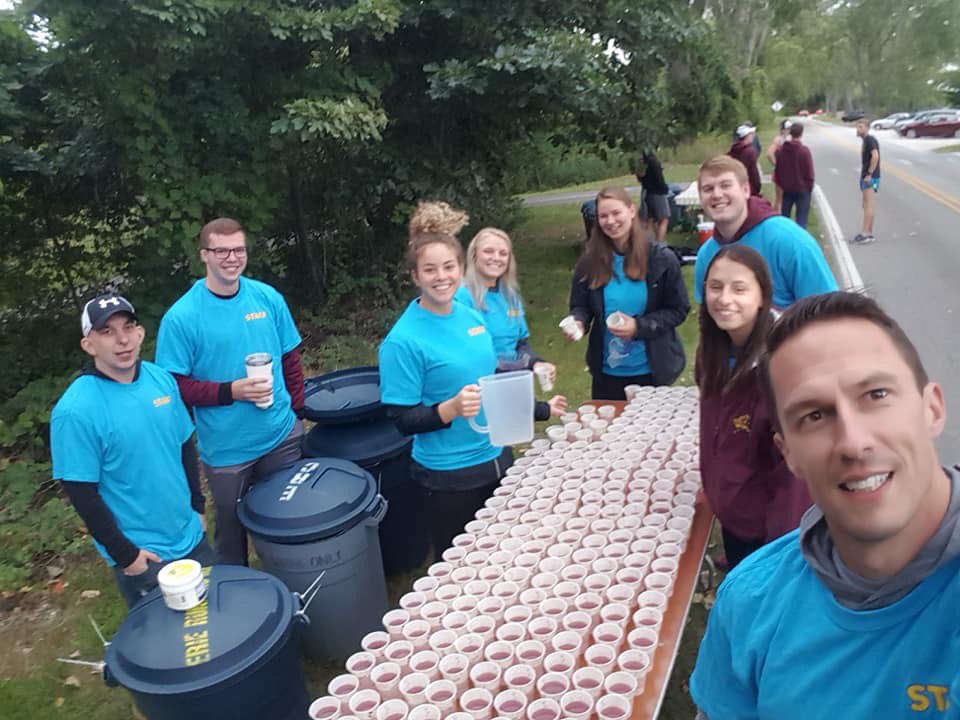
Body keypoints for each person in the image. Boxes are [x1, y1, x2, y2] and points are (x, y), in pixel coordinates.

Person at [691, 291, 960, 718]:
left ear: (932, 409)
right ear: (788, 453)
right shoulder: (749, 603)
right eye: (814, 416)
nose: (854, 443)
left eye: (875, 395)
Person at [379, 201, 566, 554]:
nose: (441, 277)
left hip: (497, 456)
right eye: (430, 270)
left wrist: (540, 409)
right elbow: (400, 420)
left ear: (460, 268)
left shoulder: (471, 316)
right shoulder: (402, 341)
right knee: (461, 569)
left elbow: (492, 380)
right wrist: (447, 410)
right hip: (449, 476)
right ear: (415, 276)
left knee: (505, 554)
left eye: (449, 267)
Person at [156, 218, 305, 566]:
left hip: (281, 435)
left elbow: (290, 360)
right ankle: (238, 600)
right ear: (204, 255)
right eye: (221, 251)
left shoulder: (267, 298)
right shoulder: (182, 317)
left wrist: (297, 413)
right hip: (227, 451)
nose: (232, 258)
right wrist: (231, 391)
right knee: (231, 535)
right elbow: (175, 387)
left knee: (288, 520)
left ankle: (290, 585)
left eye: (238, 249)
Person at [50, 293, 212, 608]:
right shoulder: (75, 411)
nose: (122, 340)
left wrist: (198, 507)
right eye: (107, 332)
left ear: (140, 333)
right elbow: (81, 491)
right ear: (89, 344)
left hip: (191, 534)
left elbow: (183, 445)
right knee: (166, 648)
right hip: (144, 554)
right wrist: (127, 555)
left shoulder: (160, 379)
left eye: (128, 327)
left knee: (216, 623)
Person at [696, 245, 812, 570]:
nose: (724, 298)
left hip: (768, 532)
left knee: (761, 608)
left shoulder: (782, 368)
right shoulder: (712, 351)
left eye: (739, 288)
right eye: (715, 287)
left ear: (762, 296)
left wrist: (779, 553)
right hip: (733, 513)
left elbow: (795, 479)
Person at [565, 187, 690, 401]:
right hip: (606, 373)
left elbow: (678, 309)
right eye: (603, 216)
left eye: (616, 213)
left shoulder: (661, 259)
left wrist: (638, 327)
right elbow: (581, 306)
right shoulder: (589, 261)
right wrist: (578, 322)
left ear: (631, 211)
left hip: (650, 371)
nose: (610, 221)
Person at [694, 155, 837, 309]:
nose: (716, 194)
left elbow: (828, 312)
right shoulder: (706, 255)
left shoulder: (790, 240)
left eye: (725, 185)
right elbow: (708, 318)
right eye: (708, 189)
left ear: (746, 190)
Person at [456, 227, 556, 386]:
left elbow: (520, 344)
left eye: (503, 253)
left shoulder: (510, 296)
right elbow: (469, 355)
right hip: (477, 388)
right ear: (474, 255)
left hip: (514, 382)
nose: (496, 258)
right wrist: (521, 366)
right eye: (488, 251)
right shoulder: (461, 298)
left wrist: (536, 363)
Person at [776, 122, 815, 228]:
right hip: (802, 189)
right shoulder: (804, 151)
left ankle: (785, 239)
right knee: (801, 220)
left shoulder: (782, 150)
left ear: (790, 133)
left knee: (785, 219)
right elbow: (809, 172)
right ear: (801, 134)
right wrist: (809, 187)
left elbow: (778, 171)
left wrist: (782, 184)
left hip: (787, 189)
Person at [853, 118, 881, 244]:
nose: (858, 129)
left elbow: (875, 156)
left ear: (867, 128)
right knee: (866, 204)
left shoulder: (870, 140)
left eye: (861, 127)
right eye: (857, 127)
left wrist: (869, 173)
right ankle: (869, 232)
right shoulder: (866, 141)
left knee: (868, 204)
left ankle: (865, 233)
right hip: (868, 176)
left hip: (870, 177)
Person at [634, 151, 671, 244]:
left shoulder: (642, 163)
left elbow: (639, 177)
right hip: (657, 192)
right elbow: (659, 178)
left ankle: (650, 242)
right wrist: (664, 188)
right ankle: (659, 244)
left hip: (647, 192)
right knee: (664, 219)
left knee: (650, 219)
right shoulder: (653, 162)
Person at [766, 119, 792, 213]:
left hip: (790, 173)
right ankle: (777, 216)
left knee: (787, 199)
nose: (789, 130)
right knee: (780, 199)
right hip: (781, 173)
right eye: (787, 129)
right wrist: (777, 165)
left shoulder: (790, 138)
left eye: (790, 128)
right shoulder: (779, 139)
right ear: (782, 129)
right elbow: (769, 153)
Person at [728, 123, 762, 196]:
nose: (753, 136)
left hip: (735, 185)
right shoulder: (750, 151)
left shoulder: (733, 150)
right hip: (749, 187)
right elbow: (753, 173)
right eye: (751, 134)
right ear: (747, 135)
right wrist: (757, 188)